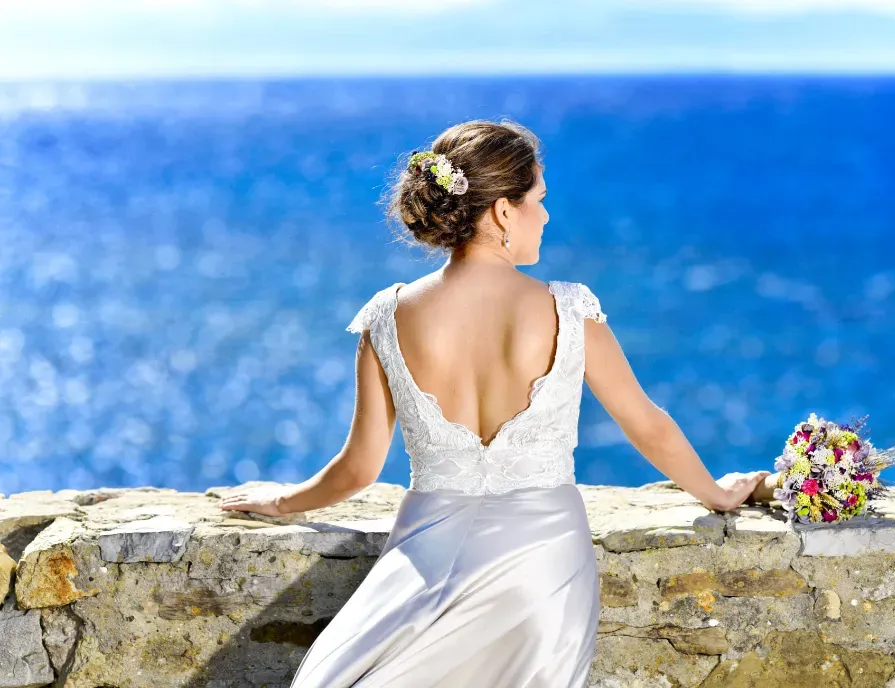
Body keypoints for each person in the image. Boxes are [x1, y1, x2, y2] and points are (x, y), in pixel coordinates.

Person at [218, 118, 770, 687]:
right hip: (542, 570)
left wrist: (281, 502)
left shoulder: (387, 317)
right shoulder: (568, 312)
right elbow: (647, 425)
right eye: (539, 198)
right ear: (504, 211)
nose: (547, 215)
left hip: (423, 566)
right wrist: (718, 493)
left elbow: (359, 468)